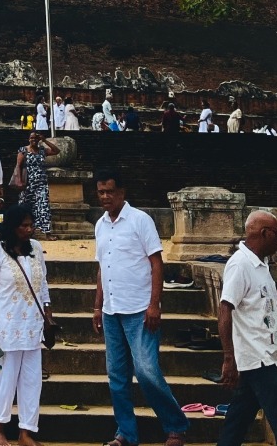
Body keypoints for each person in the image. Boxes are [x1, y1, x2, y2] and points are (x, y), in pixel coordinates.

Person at [93, 168, 190, 446]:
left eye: (110, 191)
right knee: (117, 377)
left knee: (147, 370)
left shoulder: (140, 220)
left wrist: (154, 304)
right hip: (112, 311)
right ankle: (125, 433)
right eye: (101, 192)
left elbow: (156, 263)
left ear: (122, 193)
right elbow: (103, 268)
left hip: (140, 310)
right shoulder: (100, 225)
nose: (105, 197)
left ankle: (175, 426)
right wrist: (97, 306)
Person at [215, 211, 277, 446]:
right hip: (257, 357)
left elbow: (267, 315)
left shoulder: (261, 266)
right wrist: (229, 357)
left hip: (265, 357)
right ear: (265, 233)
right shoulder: (240, 265)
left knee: (238, 419)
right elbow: (225, 309)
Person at [0, 201, 52, 446]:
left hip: (33, 327)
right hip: (6, 327)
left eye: (31, 225)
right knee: (4, 379)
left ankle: (26, 432)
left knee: (32, 380)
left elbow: (43, 286)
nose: (29, 230)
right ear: (12, 227)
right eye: (23, 226)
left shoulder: (37, 249)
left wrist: (49, 317)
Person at [11, 131, 59, 235]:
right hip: (28, 183)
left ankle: (47, 232)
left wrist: (45, 140)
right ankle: (23, 230)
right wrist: (19, 180)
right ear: (29, 139)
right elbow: (18, 166)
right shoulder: (23, 150)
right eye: (32, 138)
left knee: (43, 206)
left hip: (41, 183)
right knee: (25, 206)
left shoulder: (42, 150)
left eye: (36, 139)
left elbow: (56, 151)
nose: (34, 140)